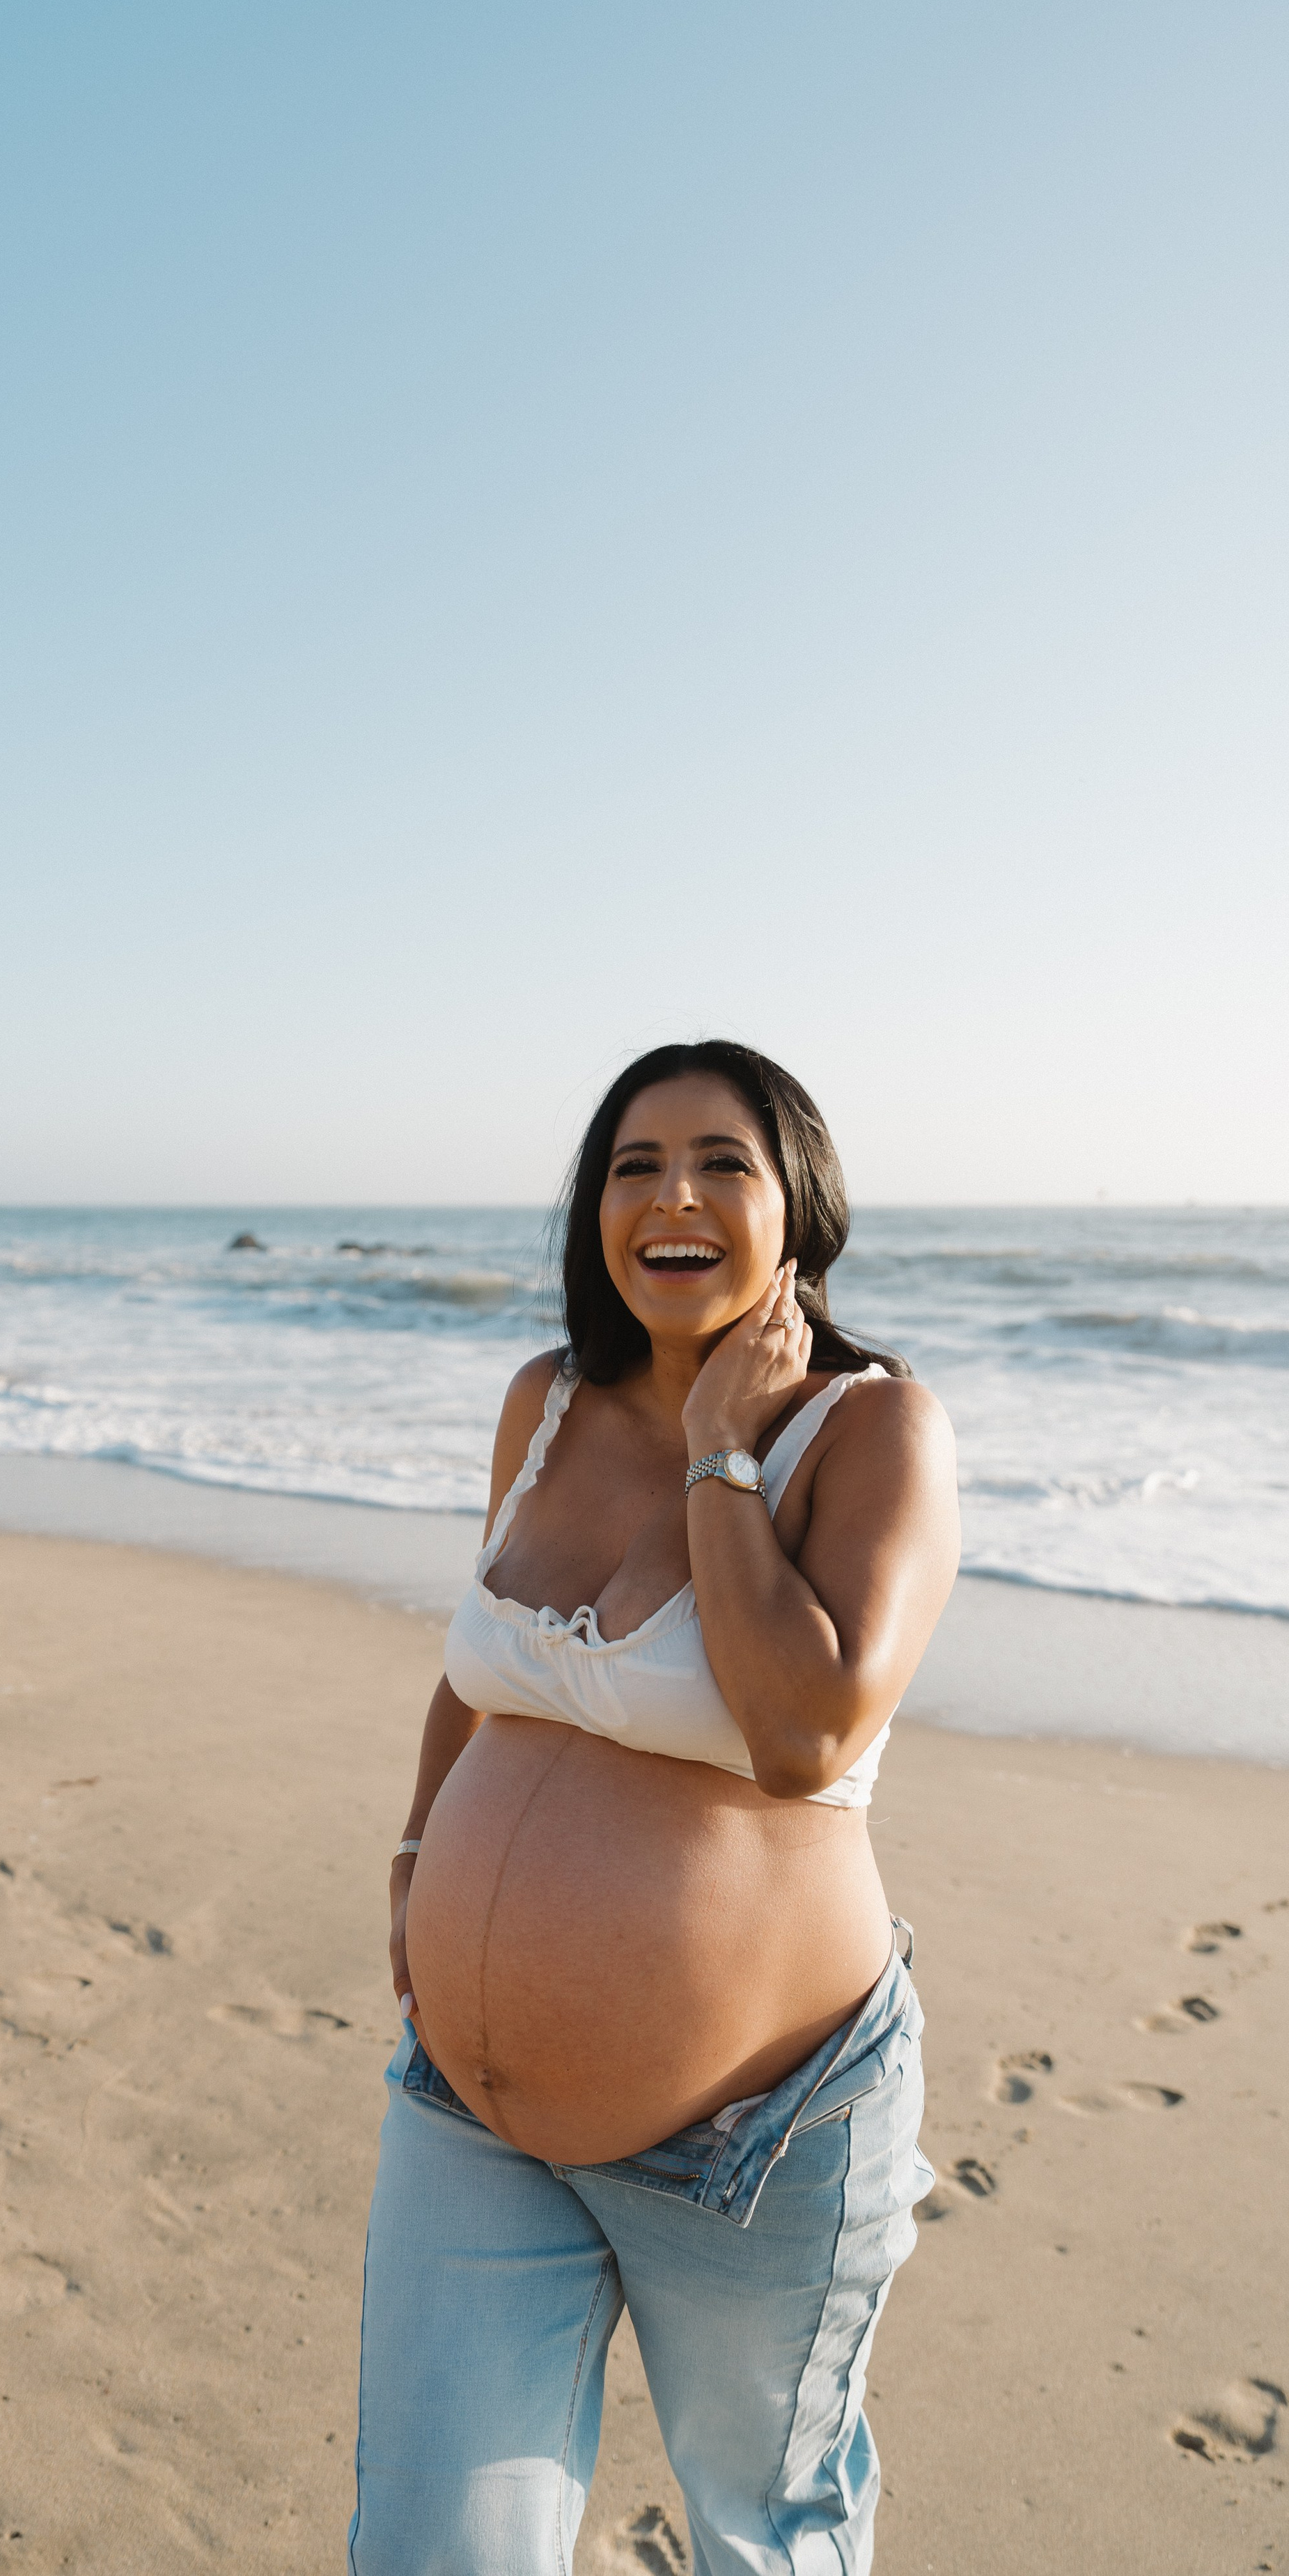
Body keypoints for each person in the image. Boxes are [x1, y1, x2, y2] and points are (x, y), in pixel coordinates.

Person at [349, 1040, 961, 2576]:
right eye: (633, 1166)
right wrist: (419, 1859)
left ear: (795, 1210)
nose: (670, 1196)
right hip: (467, 2110)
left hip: (755, 2132)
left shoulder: (872, 1430)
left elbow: (802, 1731)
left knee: (764, 2540)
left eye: (718, 1163)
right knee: (431, 2551)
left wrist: (717, 1458)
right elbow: (477, 1663)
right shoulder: (543, 1402)